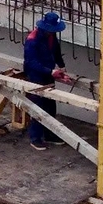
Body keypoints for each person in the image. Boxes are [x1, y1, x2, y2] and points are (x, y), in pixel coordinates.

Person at [21, 12, 70, 150]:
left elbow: (56, 52)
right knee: (38, 106)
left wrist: (62, 67)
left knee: (50, 105)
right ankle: (35, 137)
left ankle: (49, 134)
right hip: (35, 75)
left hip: (48, 72)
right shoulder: (32, 40)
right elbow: (31, 62)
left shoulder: (51, 37)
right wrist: (51, 71)